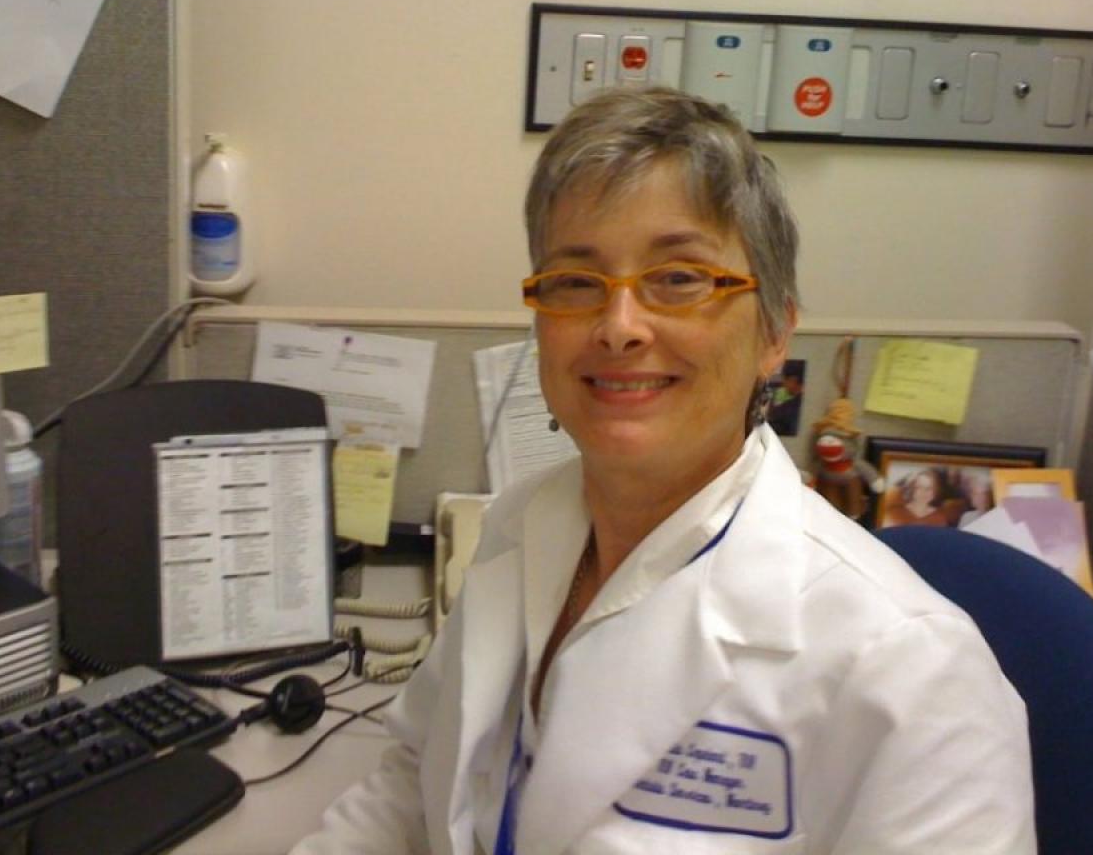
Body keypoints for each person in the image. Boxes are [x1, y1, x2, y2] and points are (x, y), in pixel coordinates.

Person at [292, 88, 1034, 854]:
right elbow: (412, 783)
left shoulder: (915, 673)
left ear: (774, 332)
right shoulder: (519, 525)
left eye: (680, 279)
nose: (619, 327)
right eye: (576, 282)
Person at [882, 467, 951, 527]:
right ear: (912, 488)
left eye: (929, 488)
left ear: (935, 491)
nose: (923, 492)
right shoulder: (895, 513)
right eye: (919, 487)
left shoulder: (939, 518)